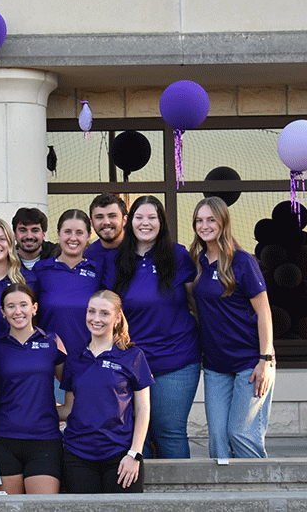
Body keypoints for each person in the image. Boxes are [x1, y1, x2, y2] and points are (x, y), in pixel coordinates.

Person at [102, 195, 199, 459]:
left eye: (152, 217)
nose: (145, 223)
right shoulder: (115, 260)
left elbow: (197, 303)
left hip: (176, 360)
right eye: (139, 217)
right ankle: (142, 499)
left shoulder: (178, 256)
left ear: (162, 222)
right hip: (131, 362)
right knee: (134, 434)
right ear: (129, 222)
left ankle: (180, 497)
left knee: (168, 431)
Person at [189, 196, 275, 458]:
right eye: (199, 220)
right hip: (215, 366)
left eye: (210, 220)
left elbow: (264, 312)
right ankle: (225, 499)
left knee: (242, 435)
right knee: (217, 440)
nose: (204, 226)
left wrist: (266, 358)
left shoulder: (242, 261)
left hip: (250, 361)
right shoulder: (197, 262)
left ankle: (257, 498)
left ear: (222, 222)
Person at [60, 290, 152, 494]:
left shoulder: (133, 356)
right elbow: (70, 408)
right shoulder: (75, 357)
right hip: (78, 455)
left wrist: (134, 454)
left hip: (120, 455)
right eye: (91, 311)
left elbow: (143, 408)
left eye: (104, 313)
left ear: (117, 318)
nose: (96, 318)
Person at [0, 284, 66, 495]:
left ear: (34, 307)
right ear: (3, 312)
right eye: (10, 306)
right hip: (4, 437)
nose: (18, 311)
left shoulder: (51, 342)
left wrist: (58, 410)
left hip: (45, 439)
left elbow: (70, 382)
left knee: (43, 508)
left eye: (23, 305)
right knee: (8, 509)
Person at [34, 210, 101, 356]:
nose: (73, 238)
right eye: (67, 232)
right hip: (49, 361)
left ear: (89, 236)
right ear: (58, 234)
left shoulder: (98, 271)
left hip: (87, 361)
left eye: (79, 233)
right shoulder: (41, 270)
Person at [85, 193, 128, 267]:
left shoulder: (140, 251)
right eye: (99, 217)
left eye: (112, 216)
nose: (106, 222)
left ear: (124, 220)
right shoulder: (87, 256)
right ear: (91, 222)